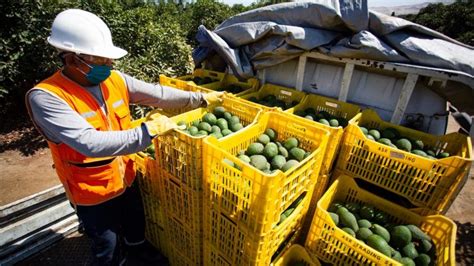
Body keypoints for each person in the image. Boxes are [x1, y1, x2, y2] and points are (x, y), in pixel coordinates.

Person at [25, 9, 223, 266]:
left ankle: (138, 253)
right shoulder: (47, 97)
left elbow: (157, 94)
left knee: (134, 228)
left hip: (126, 177)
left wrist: (199, 99)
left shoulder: (114, 79)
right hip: (93, 192)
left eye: (109, 59)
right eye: (101, 60)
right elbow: (89, 143)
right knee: (107, 247)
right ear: (73, 60)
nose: (109, 65)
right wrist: (148, 132)